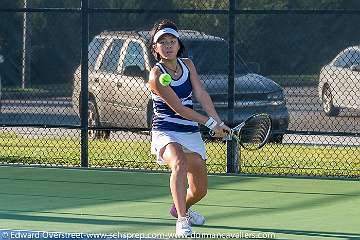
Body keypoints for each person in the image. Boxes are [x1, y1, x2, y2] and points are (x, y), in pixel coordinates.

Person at [148, 19, 230, 237]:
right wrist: (210, 123)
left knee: (200, 190)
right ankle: (183, 221)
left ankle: (179, 209)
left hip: (190, 133)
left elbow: (201, 94)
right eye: (162, 42)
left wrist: (217, 120)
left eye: (171, 40)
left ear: (178, 43)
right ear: (155, 48)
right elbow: (178, 109)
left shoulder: (188, 65)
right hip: (165, 130)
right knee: (179, 163)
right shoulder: (156, 76)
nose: (168, 45)